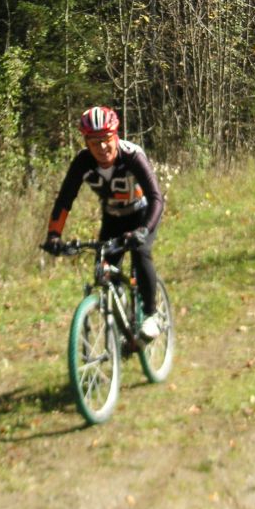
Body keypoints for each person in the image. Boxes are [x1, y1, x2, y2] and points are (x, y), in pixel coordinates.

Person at [43, 106, 164, 341]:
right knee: (104, 270)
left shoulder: (132, 155)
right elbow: (65, 200)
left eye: (106, 139)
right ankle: (122, 322)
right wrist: (54, 235)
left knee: (140, 252)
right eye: (95, 142)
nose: (102, 147)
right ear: (86, 143)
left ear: (115, 136)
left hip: (143, 214)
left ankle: (151, 314)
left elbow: (156, 198)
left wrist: (143, 230)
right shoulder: (83, 162)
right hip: (113, 218)